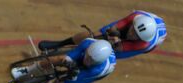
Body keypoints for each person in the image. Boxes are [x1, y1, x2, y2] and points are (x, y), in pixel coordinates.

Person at [38, 10, 167, 59]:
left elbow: (121, 47)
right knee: (95, 34)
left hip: (136, 46)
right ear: (133, 24)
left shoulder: (143, 44)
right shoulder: (135, 16)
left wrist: (115, 44)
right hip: (134, 24)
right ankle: (60, 44)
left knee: (107, 53)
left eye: (136, 36)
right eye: (133, 30)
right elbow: (114, 27)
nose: (132, 34)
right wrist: (112, 32)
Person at [11, 38, 116, 83]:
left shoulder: (98, 70)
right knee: (59, 59)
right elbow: (71, 55)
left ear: (97, 62)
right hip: (82, 54)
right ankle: (27, 69)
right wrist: (67, 61)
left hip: (88, 72)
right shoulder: (88, 42)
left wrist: (73, 74)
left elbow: (76, 78)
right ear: (89, 49)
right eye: (87, 56)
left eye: (90, 60)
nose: (87, 60)